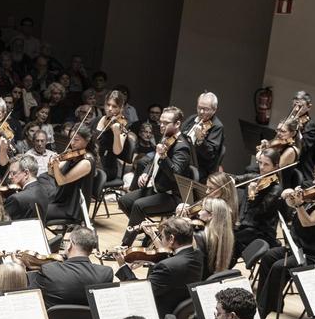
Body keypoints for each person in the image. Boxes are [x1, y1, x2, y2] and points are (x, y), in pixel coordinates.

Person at [257, 164, 315, 319]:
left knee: (279, 267)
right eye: (314, 178)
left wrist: (299, 204)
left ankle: (262, 311)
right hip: (299, 247)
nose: (314, 182)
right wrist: (291, 197)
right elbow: (292, 206)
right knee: (268, 257)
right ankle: (271, 304)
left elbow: (308, 221)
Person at [117, 106, 192, 246]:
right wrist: (146, 172)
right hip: (158, 189)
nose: (161, 125)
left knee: (138, 206)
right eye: (161, 121)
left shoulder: (182, 147)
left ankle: (125, 246)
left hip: (172, 195)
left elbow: (175, 175)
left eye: (166, 123)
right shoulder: (165, 137)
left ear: (177, 124)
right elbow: (153, 160)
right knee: (124, 201)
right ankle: (150, 233)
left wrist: (164, 157)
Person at [115, 216, 206, 319]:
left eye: (162, 237)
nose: (161, 241)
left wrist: (123, 266)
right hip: (182, 313)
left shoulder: (166, 267)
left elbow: (140, 292)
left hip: (160, 315)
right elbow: (174, 264)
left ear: (171, 239)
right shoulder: (198, 255)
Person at [233, 147, 285, 262]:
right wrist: (229, 180)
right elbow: (237, 179)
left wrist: (252, 195)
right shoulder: (256, 178)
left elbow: (259, 213)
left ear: (275, 166)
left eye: (266, 164)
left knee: (230, 241)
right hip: (246, 226)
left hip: (261, 231)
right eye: (260, 163)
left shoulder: (276, 189)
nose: (261, 167)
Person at [39, 124, 95, 223]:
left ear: (87, 140)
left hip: (72, 207)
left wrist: (56, 166)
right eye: (71, 139)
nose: (72, 143)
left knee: (37, 211)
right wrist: (51, 164)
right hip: (62, 198)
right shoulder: (74, 155)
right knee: (38, 198)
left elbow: (61, 181)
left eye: (76, 140)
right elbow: (51, 174)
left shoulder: (86, 162)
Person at [179, 91, 224, 182]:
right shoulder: (193, 118)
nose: (201, 112)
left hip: (201, 167)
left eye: (206, 109)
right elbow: (180, 133)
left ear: (214, 110)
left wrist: (200, 141)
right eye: (199, 108)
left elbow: (210, 155)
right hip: (184, 158)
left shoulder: (217, 126)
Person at [93, 89, 131, 181]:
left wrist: (116, 134)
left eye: (114, 106)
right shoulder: (98, 119)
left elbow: (117, 151)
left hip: (107, 167)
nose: (110, 109)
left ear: (121, 108)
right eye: (108, 104)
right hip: (93, 160)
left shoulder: (123, 125)